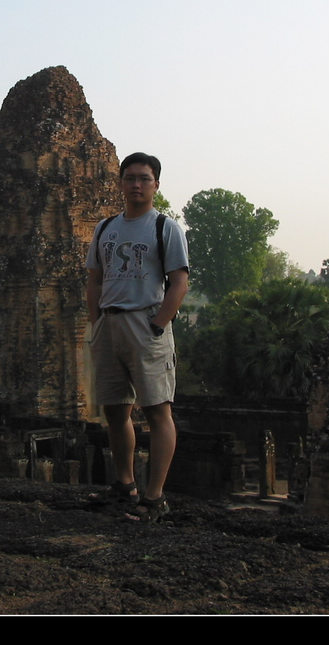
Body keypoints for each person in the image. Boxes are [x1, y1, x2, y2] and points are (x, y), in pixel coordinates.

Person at [86, 152, 190, 521]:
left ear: (155, 184)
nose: (136, 185)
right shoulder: (105, 228)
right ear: (120, 183)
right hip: (109, 324)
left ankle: (154, 497)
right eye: (130, 178)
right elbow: (95, 279)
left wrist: (159, 323)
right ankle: (125, 485)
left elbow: (179, 281)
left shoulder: (165, 228)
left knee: (158, 410)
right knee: (115, 409)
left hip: (146, 323)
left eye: (144, 178)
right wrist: (96, 321)